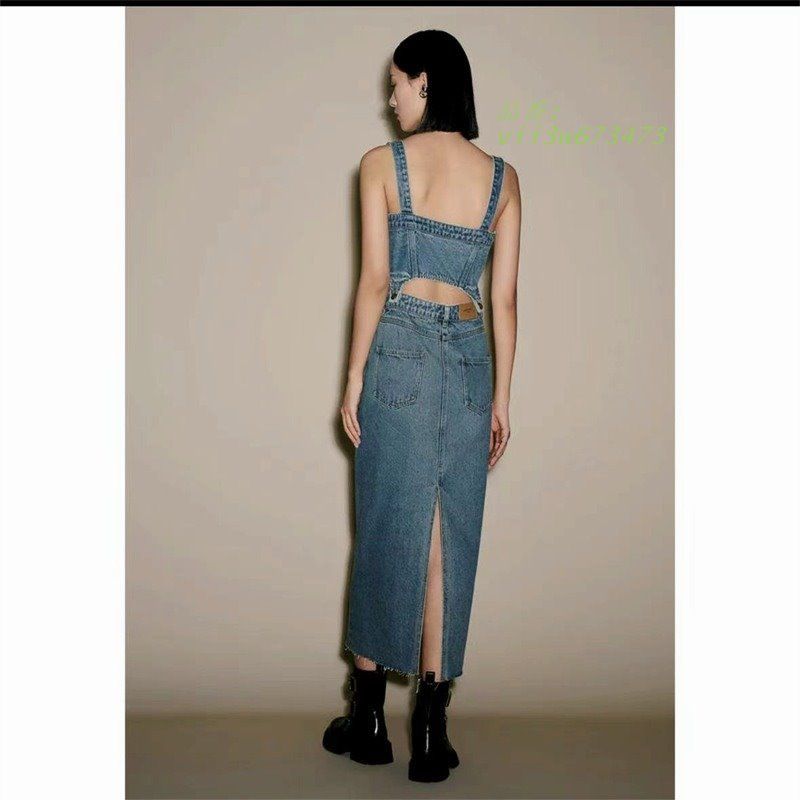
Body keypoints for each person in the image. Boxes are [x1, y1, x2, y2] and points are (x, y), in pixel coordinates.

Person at [323, 29, 520, 783]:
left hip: (400, 346)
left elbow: (376, 281)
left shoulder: (382, 166)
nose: (391, 96)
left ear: (427, 82)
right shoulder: (503, 179)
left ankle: (368, 717)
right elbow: (505, 300)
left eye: (398, 82)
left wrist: (352, 377)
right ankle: (432, 732)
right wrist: (501, 398)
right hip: (470, 355)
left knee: (384, 522)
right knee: (450, 534)